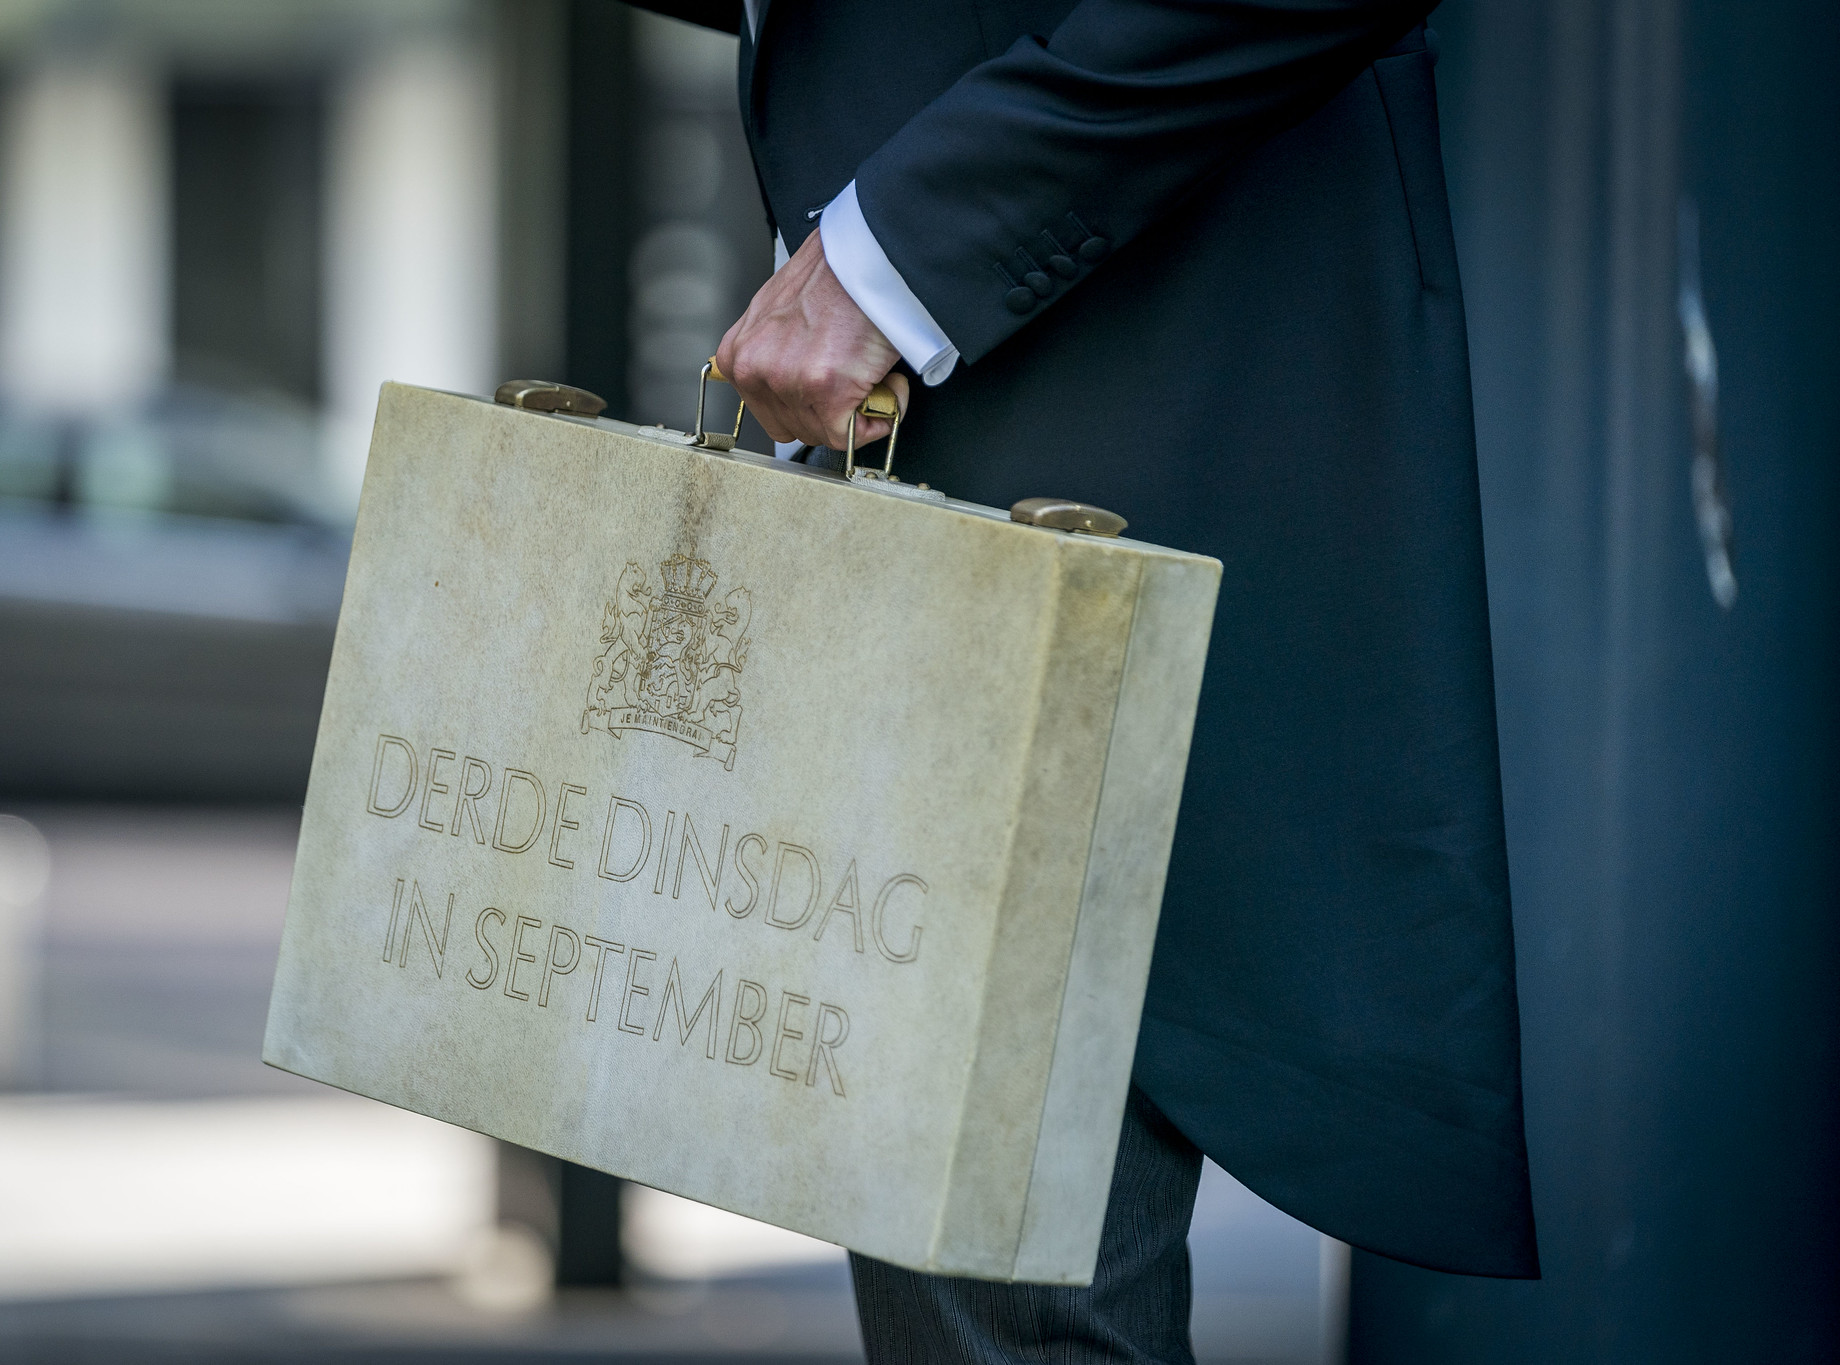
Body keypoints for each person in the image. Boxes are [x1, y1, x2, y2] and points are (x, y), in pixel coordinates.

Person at [628, 3, 1538, 1360]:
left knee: (1005, 1297)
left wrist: (892, 256)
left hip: (1139, 387)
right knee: (980, 1291)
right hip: (971, 415)